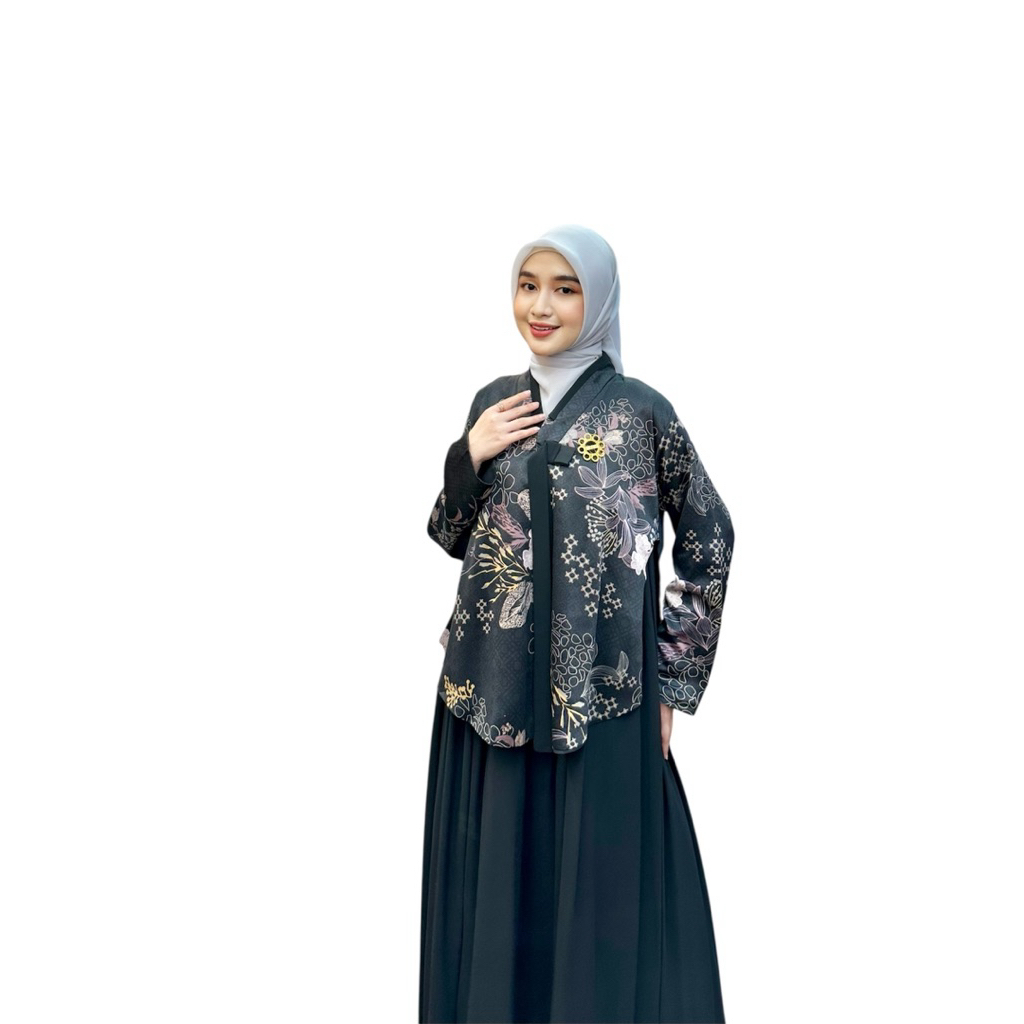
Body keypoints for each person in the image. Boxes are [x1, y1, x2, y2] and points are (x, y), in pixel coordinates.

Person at [420, 224, 735, 1024]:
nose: (542, 306)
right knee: (498, 892)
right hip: (489, 696)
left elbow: (710, 536)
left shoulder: (641, 413)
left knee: (598, 895)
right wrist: (468, 453)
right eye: (528, 285)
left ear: (597, 301)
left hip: (602, 699)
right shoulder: (495, 403)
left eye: (565, 288)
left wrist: (673, 679)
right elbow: (451, 533)